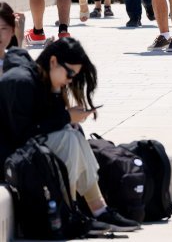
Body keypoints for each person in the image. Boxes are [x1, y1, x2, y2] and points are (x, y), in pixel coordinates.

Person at [0, 38, 141, 231]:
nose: (70, 80)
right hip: (8, 159)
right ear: (53, 62)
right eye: (70, 73)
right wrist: (66, 116)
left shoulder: (44, 80)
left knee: (73, 132)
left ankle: (99, 209)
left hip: (27, 155)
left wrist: (60, 100)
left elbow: (45, 125)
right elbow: (21, 134)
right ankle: (69, 212)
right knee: (67, 137)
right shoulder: (19, 82)